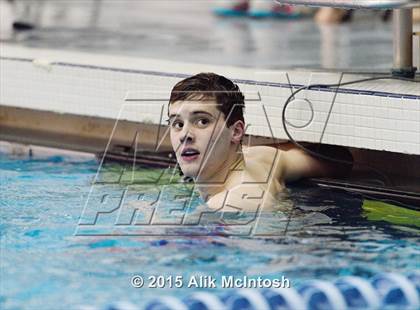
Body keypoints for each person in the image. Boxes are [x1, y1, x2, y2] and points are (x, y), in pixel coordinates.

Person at [167, 72, 352, 212]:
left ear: (236, 131)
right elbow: (340, 159)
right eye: (177, 123)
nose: (185, 135)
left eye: (202, 121)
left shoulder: (229, 205)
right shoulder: (261, 157)